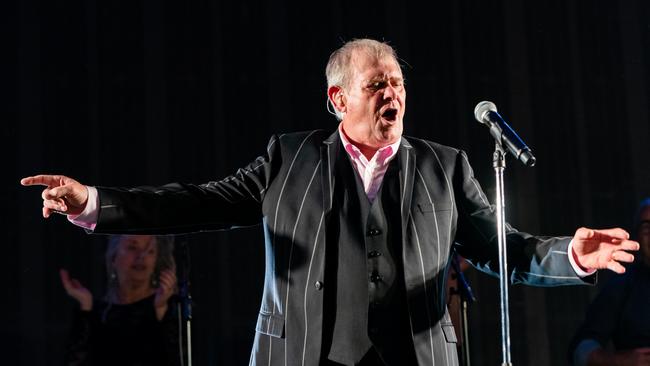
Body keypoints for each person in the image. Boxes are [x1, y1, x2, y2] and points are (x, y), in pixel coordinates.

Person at [21, 39, 639, 366]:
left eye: (398, 82)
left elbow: (500, 249)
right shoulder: (289, 161)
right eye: (377, 84)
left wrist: (572, 256)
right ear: (339, 100)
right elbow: (197, 203)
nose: (392, 93)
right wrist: (96, 202)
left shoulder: (443, 166)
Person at [60, 234, 181, 366]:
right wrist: (86, 307)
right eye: (132, 247)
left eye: (150, 251)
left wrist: (161, 310)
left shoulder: (169, 305)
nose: (141, 256)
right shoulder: (98, 311)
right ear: (113, 258)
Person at [569, 198, 650, 366]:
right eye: (647, 228)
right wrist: (617, 361)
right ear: (637, 237)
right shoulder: (622, 286)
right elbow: (580, 348)